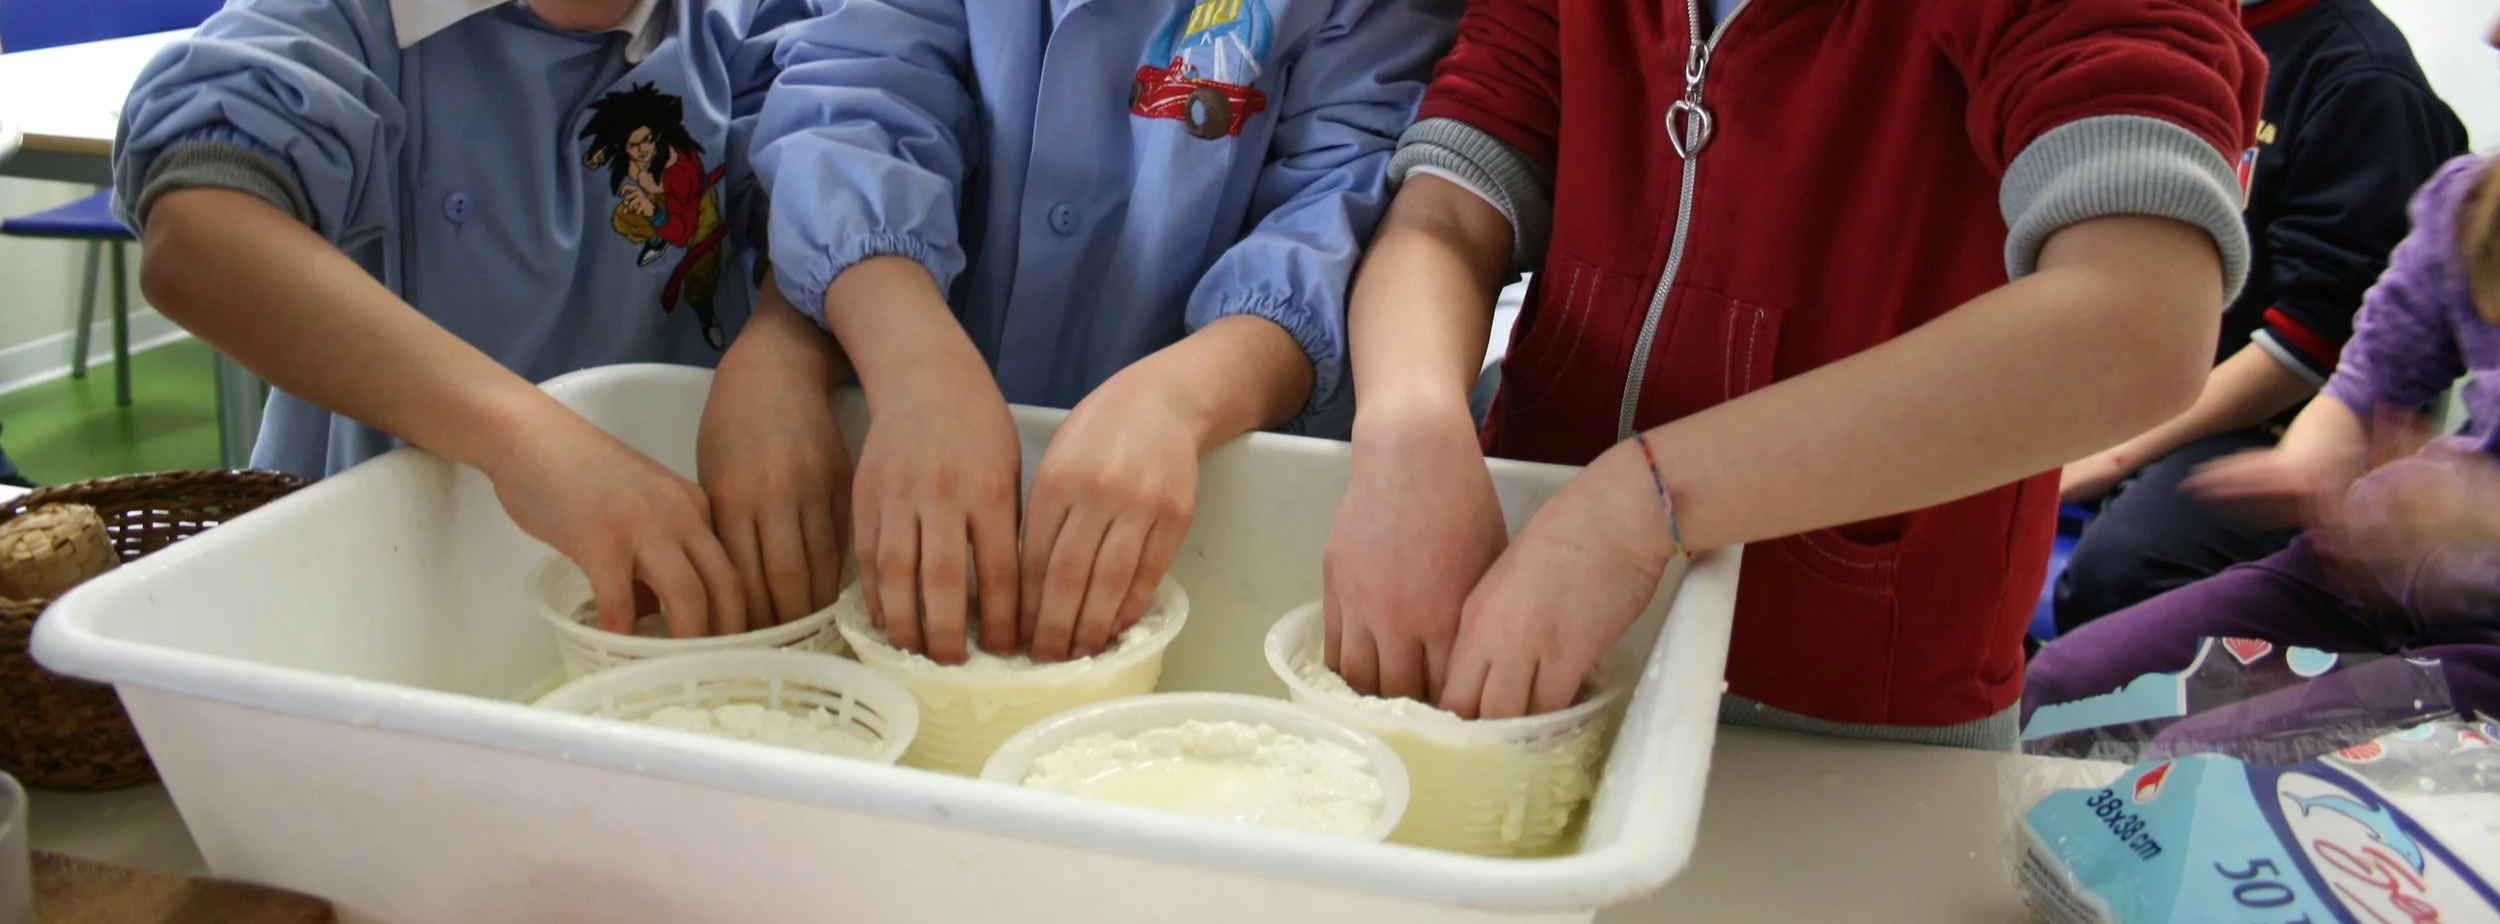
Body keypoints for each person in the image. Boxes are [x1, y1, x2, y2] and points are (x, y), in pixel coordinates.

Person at [1323, 0, 2263, 748]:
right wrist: (1410, 426)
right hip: (1515, 638)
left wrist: (1638, 507)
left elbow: (2138, 320)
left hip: (1853, 711)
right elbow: (1447, 211)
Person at [710, 0, 1460, 657]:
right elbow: (860, 95)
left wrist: (1182, 400)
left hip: (1216, 490)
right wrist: (910, 361)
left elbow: (1345, 200)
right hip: (884, 408)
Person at [116, 0, 803, 637]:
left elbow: (822, 207)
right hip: (393, 577)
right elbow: (197, 237)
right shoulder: (356, 22)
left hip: (669, 565)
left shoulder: (737, 23)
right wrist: (527, 438)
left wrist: (782, 355)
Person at [2026, 151, 2500, 744]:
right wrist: (2308, 462)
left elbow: (2305, 331)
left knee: (2206, 754)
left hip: (2483, 632)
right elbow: (2367, 381)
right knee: (2065, 690)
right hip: (2375, 576)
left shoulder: (2363, 91)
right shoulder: (2473, 198)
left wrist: (2474, 517)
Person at [2052, 0, 2467, 635]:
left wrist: (2111, 453)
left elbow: (2310, 340)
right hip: (2132, 383)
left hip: (2265, 417)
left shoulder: (2365, 81)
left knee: (2125, 570)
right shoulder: (2150, 32)